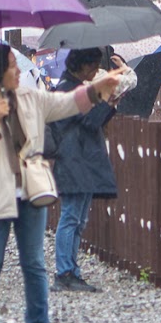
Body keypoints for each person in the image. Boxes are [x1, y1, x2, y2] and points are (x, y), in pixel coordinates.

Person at [0, 40, 127, 323]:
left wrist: (96, 90)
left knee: (34, 263)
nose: (18, 71)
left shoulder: (29, 97)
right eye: (12, 66)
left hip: (31, 190)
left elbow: (64, 103)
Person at [43, 46, 124, 291]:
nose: (95, 71)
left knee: (77, 219)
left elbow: (90, 119)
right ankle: (64, 272)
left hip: (79, 159)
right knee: (71, 217)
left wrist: (109, 103)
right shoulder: (69, 90)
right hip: (74, 159)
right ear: (81, 65)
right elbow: (89, 121)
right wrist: (107, 101)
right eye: (93, 66)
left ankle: (71, 270)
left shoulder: (71, 87)